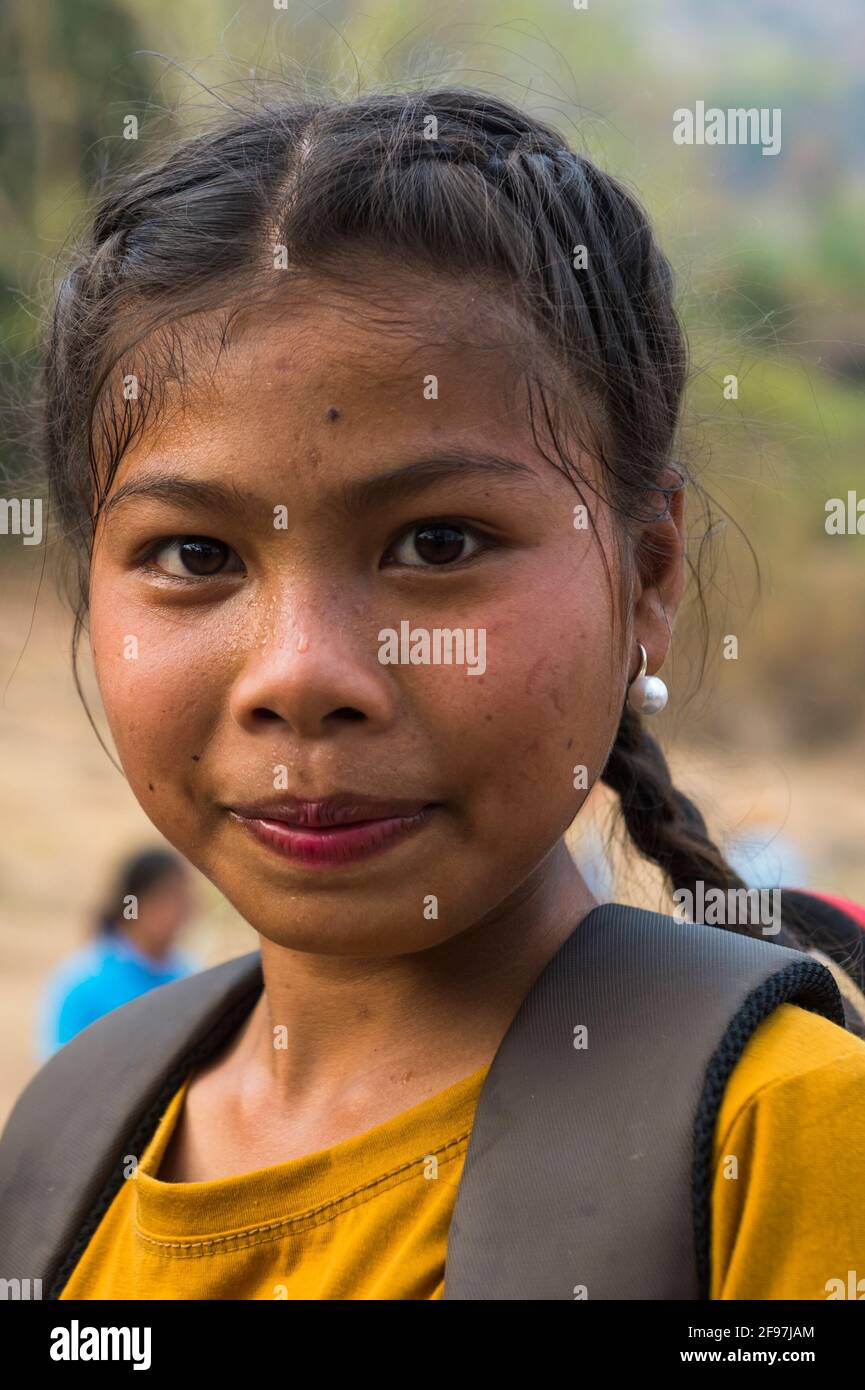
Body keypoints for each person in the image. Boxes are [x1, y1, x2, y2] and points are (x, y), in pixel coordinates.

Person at [4, 85, 865, 1300]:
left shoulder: (785, 1144)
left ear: (647, 573)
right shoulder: (68, 1143)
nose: (303, 673)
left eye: (439, 545)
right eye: (196, 556)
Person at [36, 849, 197, 1058]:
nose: (180, 911)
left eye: (185, 899)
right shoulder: (83, 982)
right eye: (167, 897)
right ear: (134, 904)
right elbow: (59, 1069)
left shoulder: (188, 976)